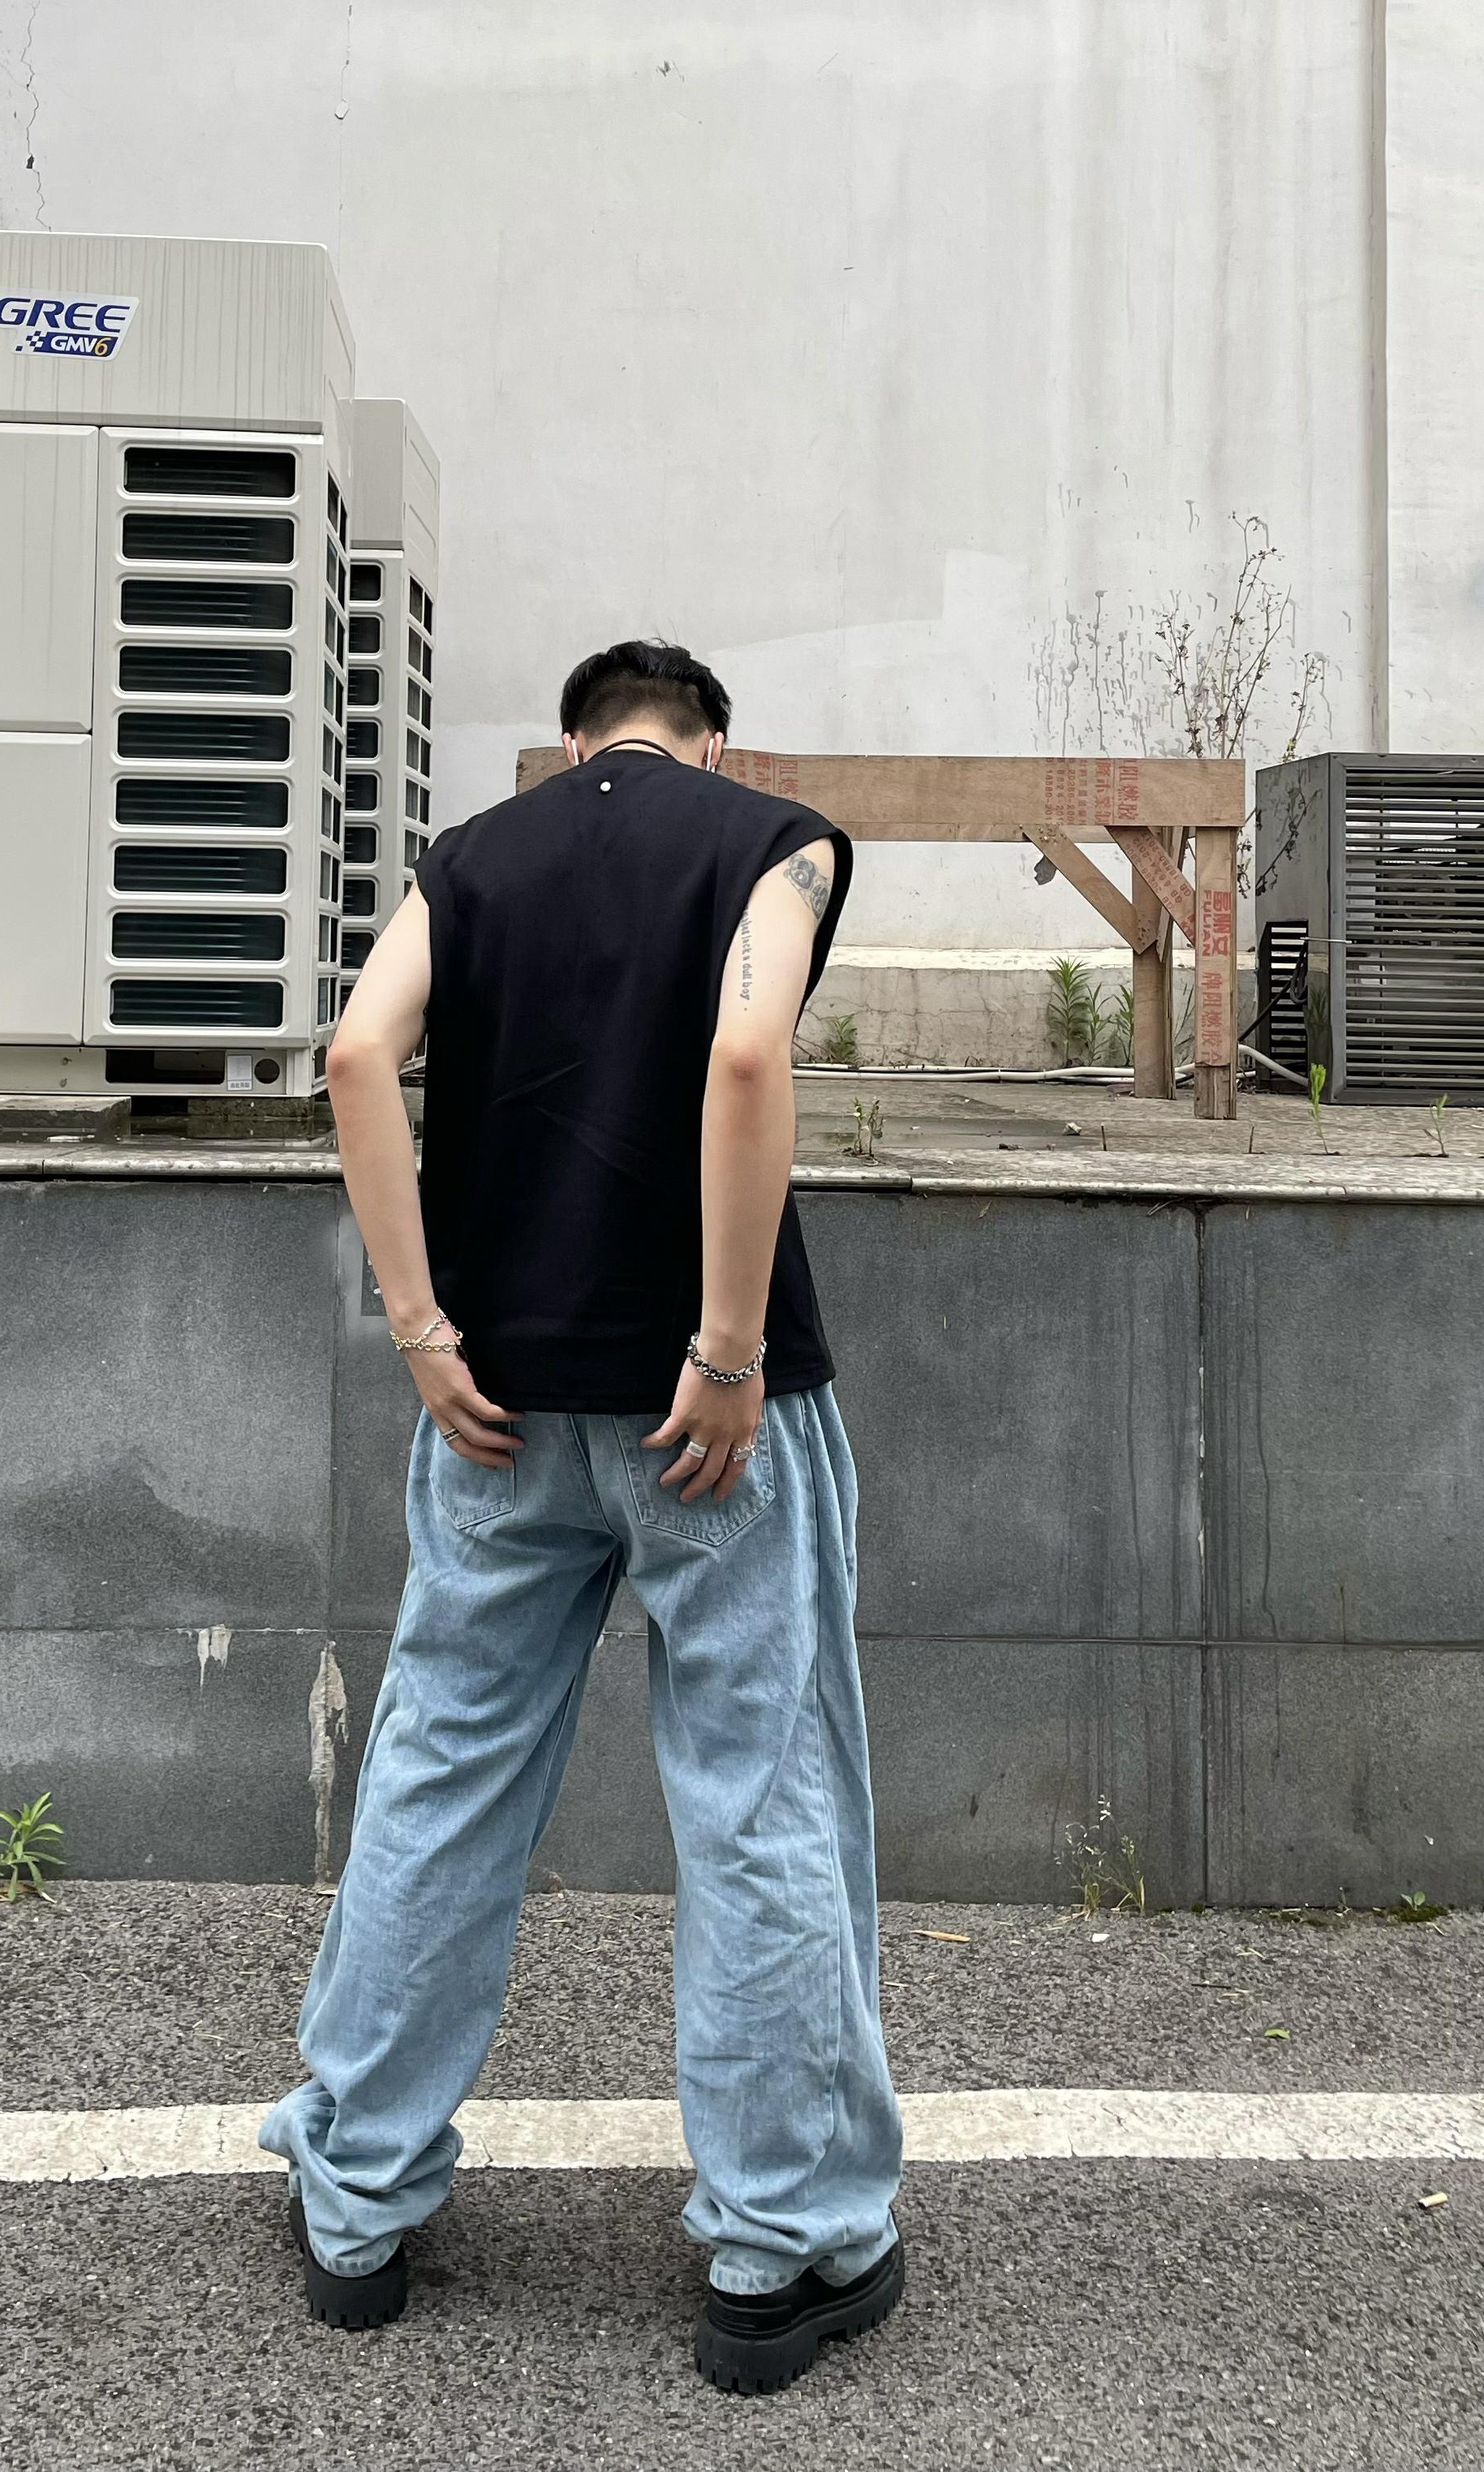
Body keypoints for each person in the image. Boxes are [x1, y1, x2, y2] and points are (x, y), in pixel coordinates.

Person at [260, 638, 904, 2397]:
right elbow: (748, 1053)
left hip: (497, 1404)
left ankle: (355, 2191)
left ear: (570, 742)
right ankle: (778, 2244)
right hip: (713, 1415)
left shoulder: (474, 856)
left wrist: (419, 1325)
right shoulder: (771, 838)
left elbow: (354, 1052)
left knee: (442, 1766)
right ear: (713, 740)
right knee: (760, 1792)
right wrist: (726, 1346)